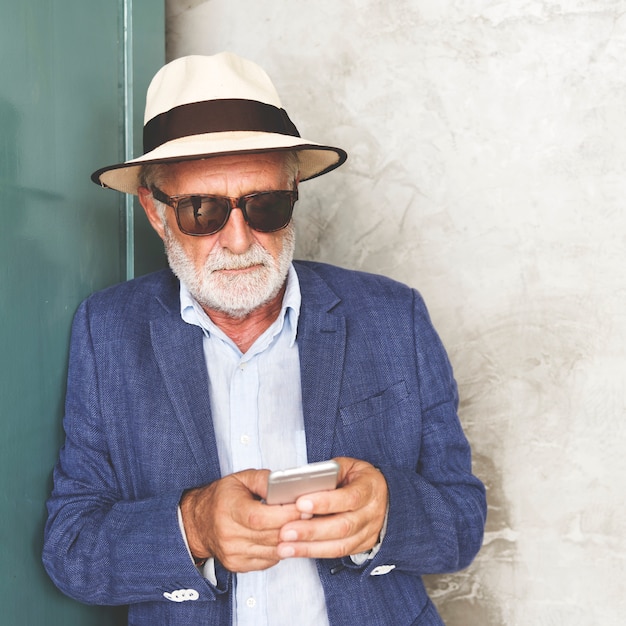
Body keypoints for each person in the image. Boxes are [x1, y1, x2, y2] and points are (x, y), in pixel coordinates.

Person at [43, 52, 486, 625]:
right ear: (155, 212)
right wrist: (194, 526)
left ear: (293, 191)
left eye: (264, 206)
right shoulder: (107, 332)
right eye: (202, 210)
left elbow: (463, 520)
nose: (237, 240)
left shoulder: (392, 315)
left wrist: (386, 514)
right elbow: (71, 547)